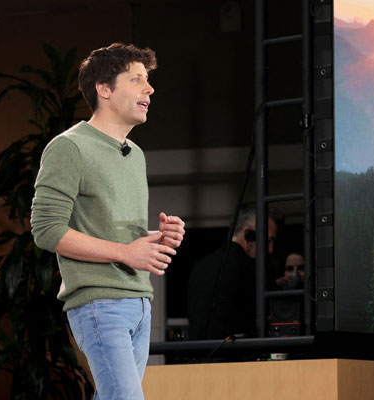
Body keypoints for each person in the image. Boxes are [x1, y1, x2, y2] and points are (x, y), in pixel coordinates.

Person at [30, 43, 186, 399]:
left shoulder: (135, 155)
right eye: (136, 80)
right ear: (104, 88)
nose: (149, 89)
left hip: (140, 305)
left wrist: (155, 239)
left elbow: (110, 233)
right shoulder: (69, 147)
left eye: (148, 81)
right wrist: (126, 253)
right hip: (100, 305)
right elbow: (46, 229)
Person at [187, 204, 278, 340]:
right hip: (235, 356)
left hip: (197, 356)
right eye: (269, 240)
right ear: (248, 234)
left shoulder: (200, 266)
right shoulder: (250, 269)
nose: (270, 249)